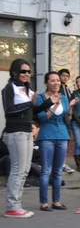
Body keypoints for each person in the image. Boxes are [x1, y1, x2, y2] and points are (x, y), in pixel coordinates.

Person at [2, 59, 55, 218]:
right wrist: (29, 103)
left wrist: (48, 103)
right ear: (15, 72)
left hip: (26, 131)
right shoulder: (9, 88)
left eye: (28, 71)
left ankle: (16, 204)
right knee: (18, 169)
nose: (26, 74)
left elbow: (34, 111)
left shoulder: (28, 90)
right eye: (23, 71)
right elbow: (9, 110)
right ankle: (12, 206)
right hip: (15, 131)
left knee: (24, 170)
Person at [36, 71, 78, 212]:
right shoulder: (41, 98)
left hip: (62, 135)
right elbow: (42, 118)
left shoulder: (64, 98)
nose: (56, 83)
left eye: (58, 81)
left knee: (58, 171)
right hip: (47, 135)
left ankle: (56, 201)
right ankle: (44, 202)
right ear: (46, 83)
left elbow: (67, 119)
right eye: (52, 80)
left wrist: (70, 107)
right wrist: (54, 106)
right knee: (46, 170)